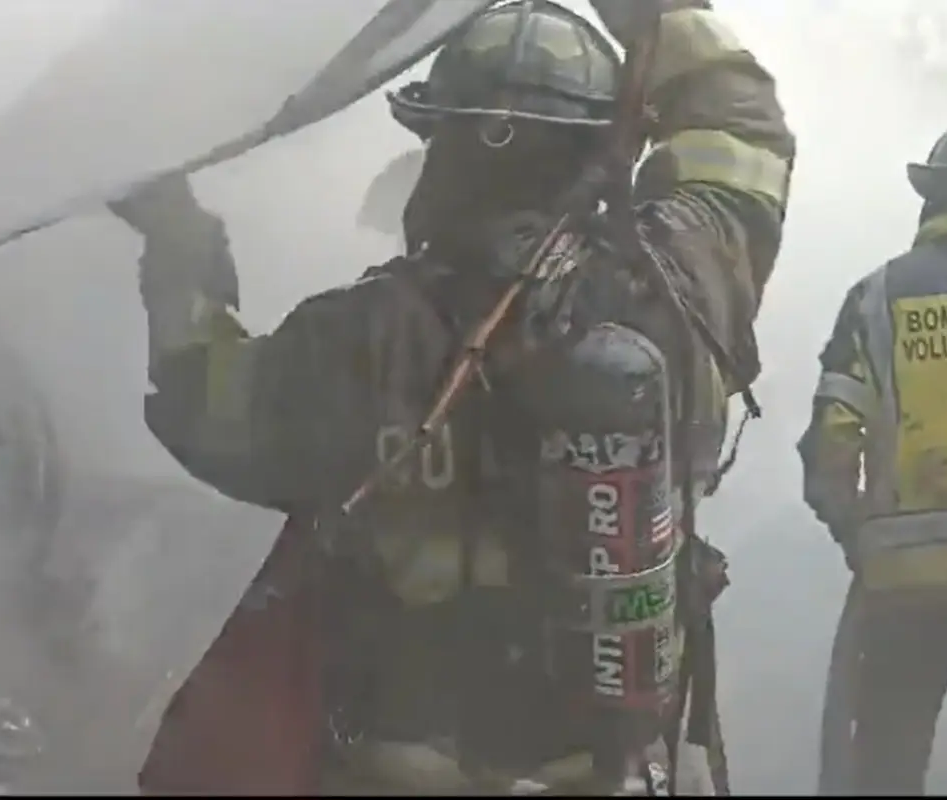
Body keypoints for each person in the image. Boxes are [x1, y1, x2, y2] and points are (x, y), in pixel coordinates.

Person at [124, 0, 794, 793]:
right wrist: (660, 14)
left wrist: (177, 249)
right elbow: (743, 134)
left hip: (399, 769)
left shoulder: (363, 336)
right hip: (608, 770)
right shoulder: (682, 293)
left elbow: (207, 402)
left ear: (440, 146)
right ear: (606, 143)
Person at [802, 127, 947, 796]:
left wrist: (858, 532)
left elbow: (833, 443)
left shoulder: (874, 299)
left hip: (902, 584)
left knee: (889, 765)